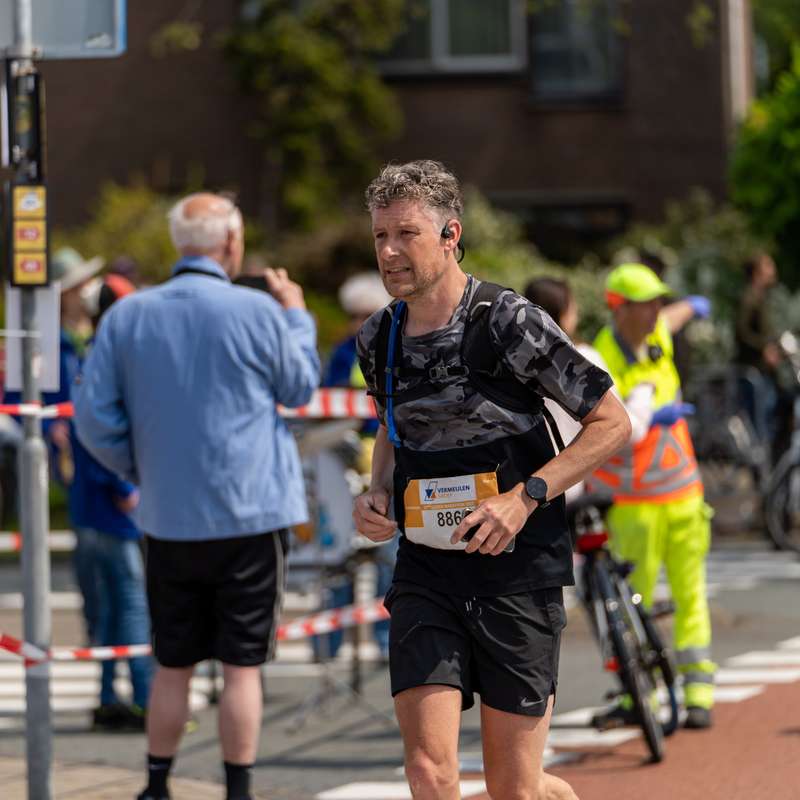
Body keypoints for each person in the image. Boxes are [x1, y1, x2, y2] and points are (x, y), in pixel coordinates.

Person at [353, 160, 631, 800]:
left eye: (406, 234)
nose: (389, 252)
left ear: (450, 236)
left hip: (517, 573)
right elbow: (392, 425)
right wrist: (377, 492)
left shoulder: (508, 321)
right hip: (427, 572)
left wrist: (525, 497)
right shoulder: (378, 338)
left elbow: (612, 424)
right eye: (380, 236)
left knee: (514, 789)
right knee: (429, 772)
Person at [73, 192, 320, 800]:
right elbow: (299, 387)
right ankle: (237, 788)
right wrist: (296, 314)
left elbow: (93, 418)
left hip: (168, 515)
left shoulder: (128, 316)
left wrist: (140, 467)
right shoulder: (258, 312)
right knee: (242, 666)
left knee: (172, 662)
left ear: (178, 242)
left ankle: (157, 784)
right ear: (231, 243)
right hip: (251, 512)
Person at [591, 262, 716, 730]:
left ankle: (699, 692)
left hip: (683, 494)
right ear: (618, 308)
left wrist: (694, 307)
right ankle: (637, 694)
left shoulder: (657, 330)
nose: (655, 312)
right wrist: (649, 416)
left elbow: (674, 317)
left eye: (658, 303)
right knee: (633, 604)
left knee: (690, 594)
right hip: (633, 502)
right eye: (645, 305)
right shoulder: (602, 357)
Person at [4, 246, 105, 644]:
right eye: (79, 285)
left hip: (101, 457)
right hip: (69, 461)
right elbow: (18, 399)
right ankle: (98, 639)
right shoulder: (46, 342)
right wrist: (48, 428)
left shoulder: (93, 336)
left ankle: (110, 650)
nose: (87, 291)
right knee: (93, 555)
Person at [70, 274, 153, 731]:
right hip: (114, 509)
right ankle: (144, 700)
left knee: (107, 611)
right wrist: (125, 488)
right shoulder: (112, 358)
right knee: (133, 606)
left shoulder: (92, 356)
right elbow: (99, 431)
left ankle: (107, 698)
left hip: (90, 506)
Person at [734, 252, 790, 458]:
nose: (773, 270)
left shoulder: (762, 297)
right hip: (754, 370)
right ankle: (761, 466)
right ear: (757, 272)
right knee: (759, 424)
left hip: (765, 371)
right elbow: (742, 333)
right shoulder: (748, 297)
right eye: (768, 266)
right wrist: (763, 348)